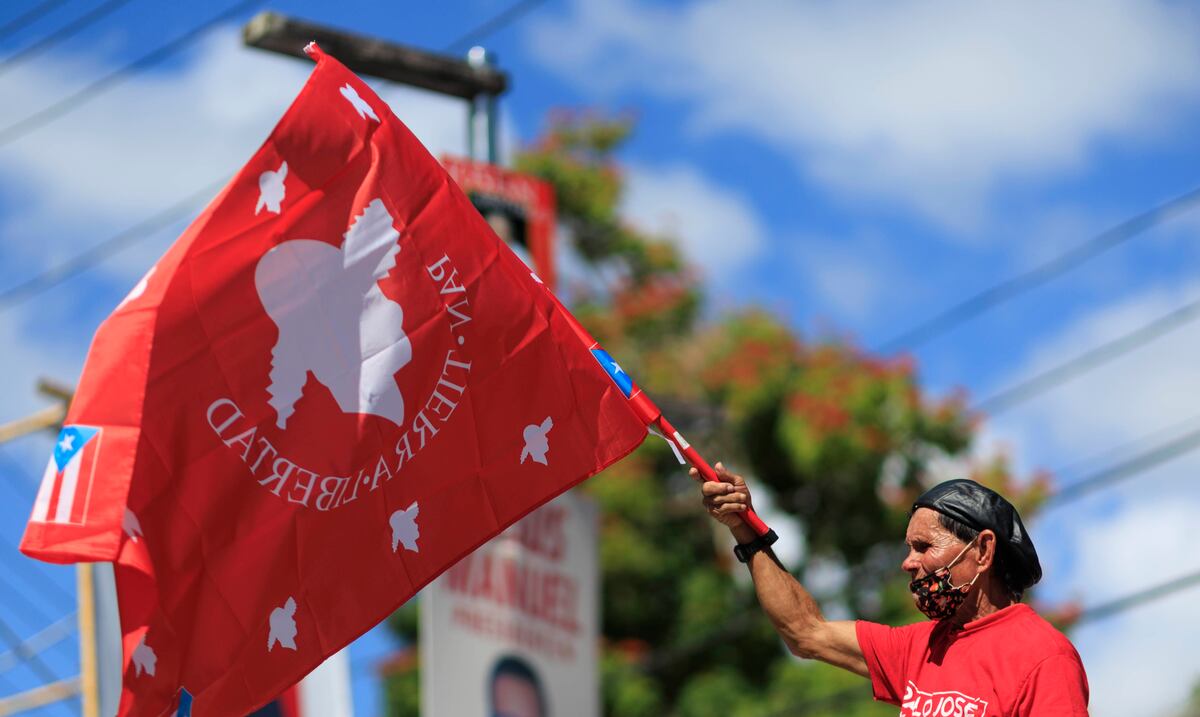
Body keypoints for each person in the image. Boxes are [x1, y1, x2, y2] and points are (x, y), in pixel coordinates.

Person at [694, 463, 1089, 715]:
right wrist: (745, 528)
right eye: (908, 548)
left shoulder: (1043, 656)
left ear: (983, 550)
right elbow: (805, 630)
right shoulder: (918, 648)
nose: (908, 562)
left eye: (924, 547)